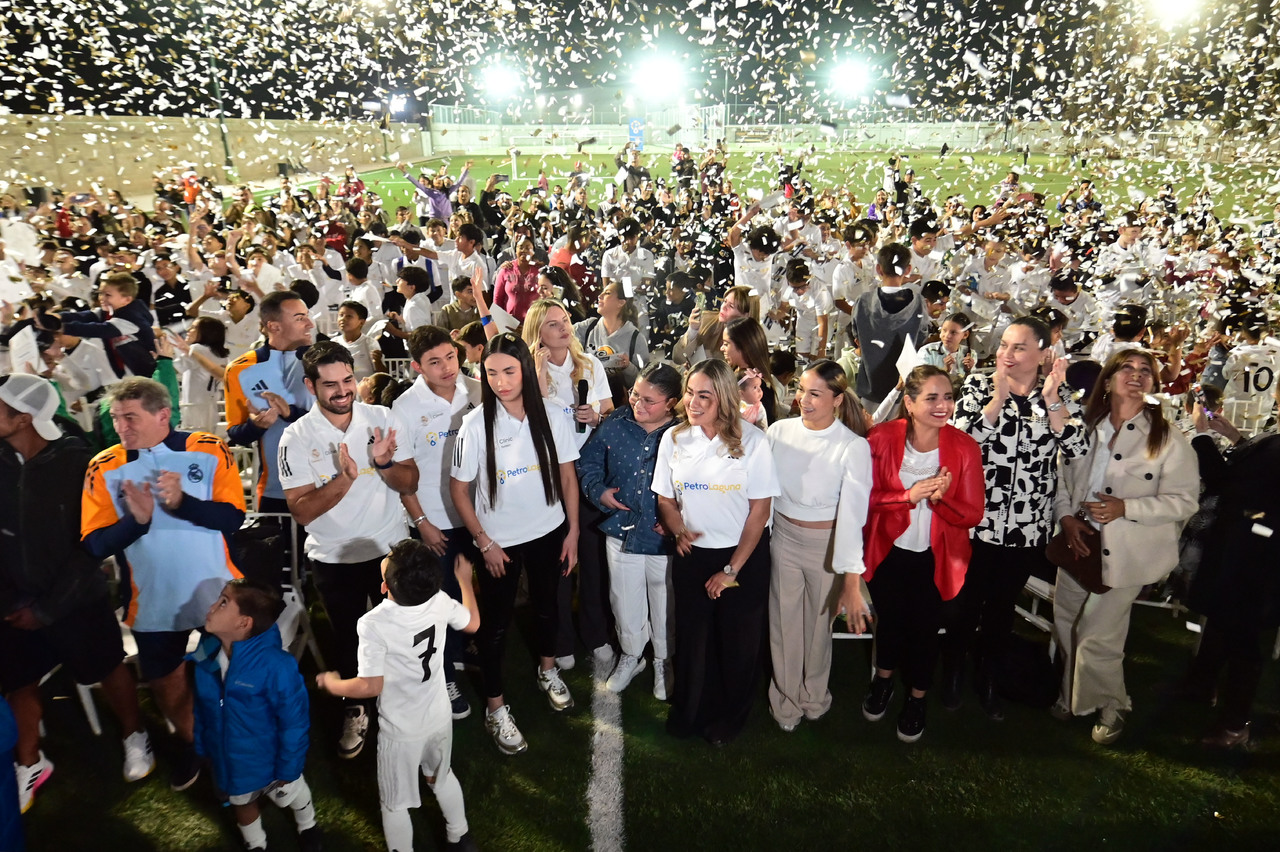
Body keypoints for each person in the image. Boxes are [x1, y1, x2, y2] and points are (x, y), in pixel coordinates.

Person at [81, 376, 247, 790]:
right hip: (153, 599)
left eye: (131, 417)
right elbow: (94, 543)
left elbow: (233, 518)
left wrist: (182, 503)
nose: (121, 427)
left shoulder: (208, 448)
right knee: (166, 681)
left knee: (238, 677)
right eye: (116, 418)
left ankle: (239, 743)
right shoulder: (103, 465)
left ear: (162, 414)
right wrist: (135, 522)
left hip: (218, 590)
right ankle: (193, 744)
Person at [0, 374, 154, 812]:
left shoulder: (77, 464)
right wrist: (11, 601)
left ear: (24, 418)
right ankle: (30, 761)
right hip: (15, 602)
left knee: (107, 668)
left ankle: (133, 733)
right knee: (17, 680)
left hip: (74, 600)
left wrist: (48, 609)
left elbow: (91, 548)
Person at [278, 341, 418, 759]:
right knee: (348, 639)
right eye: (330, 384)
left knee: (401, 632)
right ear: (309, 386)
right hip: (333, 558)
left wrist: (387, 464)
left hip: (389, 550)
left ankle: (405, 701)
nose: (342, 391)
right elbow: (301, 511)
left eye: (348, 380)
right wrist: (345, 479)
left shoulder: (382, 418)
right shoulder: (295, 437)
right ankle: (357, 708)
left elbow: (409, 483)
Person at [1051, 349, 1198, 745]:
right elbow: (1062, 480)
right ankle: (1070, 696)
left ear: (1153, 382)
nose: (1136, 375)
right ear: (1110, 378)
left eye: (1145, 370)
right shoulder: (1085, 426)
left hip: (1128, 554)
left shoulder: (1166, 437)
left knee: (1099, 633)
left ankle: (1112, 705)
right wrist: (1066, 519)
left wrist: (1126, 508)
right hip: (1078, 543)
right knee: (1066, 622)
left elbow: (1185, 500)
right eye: (1127, 368)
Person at [948, 317, 1089, 718]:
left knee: (1001, 608)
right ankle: (955, 672)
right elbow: (962, 443)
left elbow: (1076, 449)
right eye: (1004, 345)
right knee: (965, 604)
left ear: (1044, 354)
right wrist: (996, 399)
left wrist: (1051, 398)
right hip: (979, 520)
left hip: (1026, 528)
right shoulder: (979, 384)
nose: (1006, 355)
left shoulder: (1056, 396)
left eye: (1018, 348)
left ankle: (989, 678)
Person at [449, 333, 580, 755]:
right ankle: (495, 708)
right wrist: (484, 543)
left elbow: (567, 478)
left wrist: (573, 531)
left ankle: (546, 670)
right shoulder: (474, 424)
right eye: (492, 373)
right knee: (495, 627)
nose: (501, 381)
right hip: (499, 543)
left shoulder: (554, 414)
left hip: (549, 532)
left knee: (548, 607)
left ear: (524, 367)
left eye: (509, 370)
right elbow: (458, 489)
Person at [317, 541, 480, 852]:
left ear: (383, 587)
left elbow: (370, 686)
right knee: (441, 777)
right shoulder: (440, 601)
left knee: (394, 804)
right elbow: (472, 622)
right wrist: (465, 582)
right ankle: (460, 837)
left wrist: (334, 685)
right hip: (438, 716)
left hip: (401, 730)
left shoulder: (373, 624)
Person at [653, 359, 781, 745]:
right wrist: (678, 530)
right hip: (692, 555)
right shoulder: (674, 438)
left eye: (703, 395)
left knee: (737, 643)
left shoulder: (753, 441)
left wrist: (731, 570)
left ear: (724, 399)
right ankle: (691, 710)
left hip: (742, 557)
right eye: (690, 393)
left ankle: (730, 717)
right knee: (692, 639)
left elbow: (760, 511)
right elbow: (664, 497)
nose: (692, 402)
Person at [861, 365, 984, 744]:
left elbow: (973, 513)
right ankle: (883, 682)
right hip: (887, 551)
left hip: (938, 556)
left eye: (947, 397)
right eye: (932, 397)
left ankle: (917, 698)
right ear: (909, 403)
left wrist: (941, 500)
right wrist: (907, 497)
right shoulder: (881, 437)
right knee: (891, 621)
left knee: (925, 631)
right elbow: (861, 498)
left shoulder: (964, 447)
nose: (943, 405)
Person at [765, 360, 872, 732]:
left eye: (814, 393)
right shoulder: (778, 431)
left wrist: (849, 573)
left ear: (837, 399)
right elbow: (762, 490)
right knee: (783, 623)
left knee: (818, 626)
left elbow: (854, 514)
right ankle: (785, 698)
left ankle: (813, 695)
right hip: (782, 538)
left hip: (826, 545)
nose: (803, 400)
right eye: (800, 390)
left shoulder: (853, 446)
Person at [392, 325, 482, 720]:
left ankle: (462, 652)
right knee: (437, 599)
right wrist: (422, 521)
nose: (447, 367)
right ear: (417, 367)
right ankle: (443, 675)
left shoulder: (478, 391)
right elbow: (402, 472)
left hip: (477, 514)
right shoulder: (405, 407)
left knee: (470, 590)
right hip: (434, 520)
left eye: (451, 357)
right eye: (434, 362)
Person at [575, 363, 682, 697]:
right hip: (620, 530)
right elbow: (587, 462)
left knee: (665, 601)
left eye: (649, 400)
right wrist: (598, 490)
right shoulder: (616, 423)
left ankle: (664, 661)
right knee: (623, 599)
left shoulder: (685, 434)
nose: (638, 403)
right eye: (636, 393)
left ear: (671, 403)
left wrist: (678, 519)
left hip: (665, 538)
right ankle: (632, 656)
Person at [191, 579, 320, 852]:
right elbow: (203, 706)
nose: (213, 607)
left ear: (244, 623)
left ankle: (307, 823)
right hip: (232, 760)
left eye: (224, 602)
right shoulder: (205, 655)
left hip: (272, 761)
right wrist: (203, 744)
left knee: (293, 795)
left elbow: (294, 723)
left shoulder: (276, 666)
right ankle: (256, 844)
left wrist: (289, 767)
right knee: (242, 802)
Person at [522, 299, 615, 671]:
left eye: (565, 321)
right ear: (538, 334)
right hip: (547, 473)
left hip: (589, 469)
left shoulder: (590, 365)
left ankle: (597, 635)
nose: (564, 328)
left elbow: (611, 412)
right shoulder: (528, 370)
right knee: (557, 559)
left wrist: (596, 417)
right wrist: (540, 379)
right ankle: (560, 640)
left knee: (592, 560)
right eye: (553, 324)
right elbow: (529, 423)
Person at [1179, 407, 1280, 748]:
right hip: (1249, 542)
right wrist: (1235, 437)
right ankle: (1200, 686)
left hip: (1258, 554)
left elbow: (1228, 485)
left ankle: (1235, 725)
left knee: (1244, 641)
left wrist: (1203, 436)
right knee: (1222, 623)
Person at [225, 290, 315, 512]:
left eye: (307, 315)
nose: (310, 324)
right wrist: (255, 426)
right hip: (275, 490)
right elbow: (236, 433)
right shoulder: (240, 369)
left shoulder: (325, 360)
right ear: (274, 326)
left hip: (329, 483)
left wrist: (291, 414)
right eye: (300, 318)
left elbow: (342, 418)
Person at [574, 281, 650, 393]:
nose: (600, 296)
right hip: (590, 396)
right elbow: (563, 335)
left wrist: (627, 367)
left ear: (621, 302)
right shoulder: (588, 327)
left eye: (607, 293)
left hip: (618, 402)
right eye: (602, 293)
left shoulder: (636, 338)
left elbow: (644, 382)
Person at [172, 316, 229, 433]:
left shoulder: (196, 349)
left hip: (194, 408)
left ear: (206, 332)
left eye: (194, 327)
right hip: (209, 406)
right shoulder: (219, 354)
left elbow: (175, 368)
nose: (188, 330)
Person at [721, 317, 777, 428]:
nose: (721, 348)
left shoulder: (757, 386)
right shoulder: (735, 372)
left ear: (743, 347)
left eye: (726, 344)